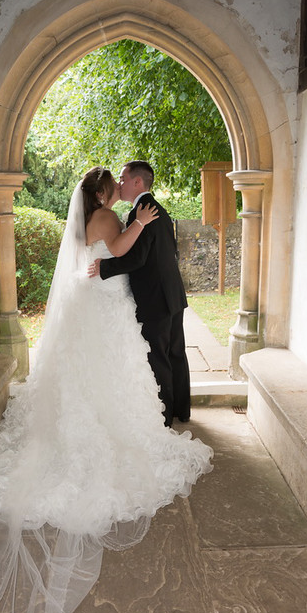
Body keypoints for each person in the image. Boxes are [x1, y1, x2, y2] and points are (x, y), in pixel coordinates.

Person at [0, 166, 213, 613]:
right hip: (104, 307)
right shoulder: (105, 218)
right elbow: (119, 251)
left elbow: (110, 258)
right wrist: (137, 225)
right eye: (111, 184)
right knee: (113, 370)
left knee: (98, 372)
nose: (117, 189)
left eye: (123, 182)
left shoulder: (87, 218)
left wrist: (134, 227)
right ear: (101, 192)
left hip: (96, 302)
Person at [89, 161, 190, 427]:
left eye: (123, 179)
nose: (119, 184)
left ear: (137, 182)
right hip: (171, 293)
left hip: (155, 298)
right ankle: (182, 409)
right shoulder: (156, 208)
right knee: (175, 352)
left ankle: (165, 418)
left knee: (159, 357)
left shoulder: (142, 212)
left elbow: (137, 258)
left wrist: (105, 267)